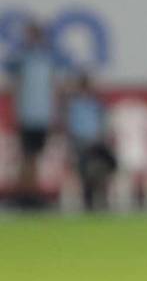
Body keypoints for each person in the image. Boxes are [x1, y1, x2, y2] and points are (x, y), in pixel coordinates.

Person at [4, 22, 61, 208]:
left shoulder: (47, 60)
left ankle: (31, 193)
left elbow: (52, 88)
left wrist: (54, 113)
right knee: (27, 156)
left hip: (42, 115)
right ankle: (25, 194)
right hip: (27, 114)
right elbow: (16, 86)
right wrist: (15, 112)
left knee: (35, 156)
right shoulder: (22, 60)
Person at [64, 73, 116, 211]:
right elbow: (71, 127)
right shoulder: (74, 105)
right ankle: (88, 203)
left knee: (102, 172)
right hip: (81, 143)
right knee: (86, 173)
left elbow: (103, 124)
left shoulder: (97, 104)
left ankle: (102, 201)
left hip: (97, 144)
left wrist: (101, 140)